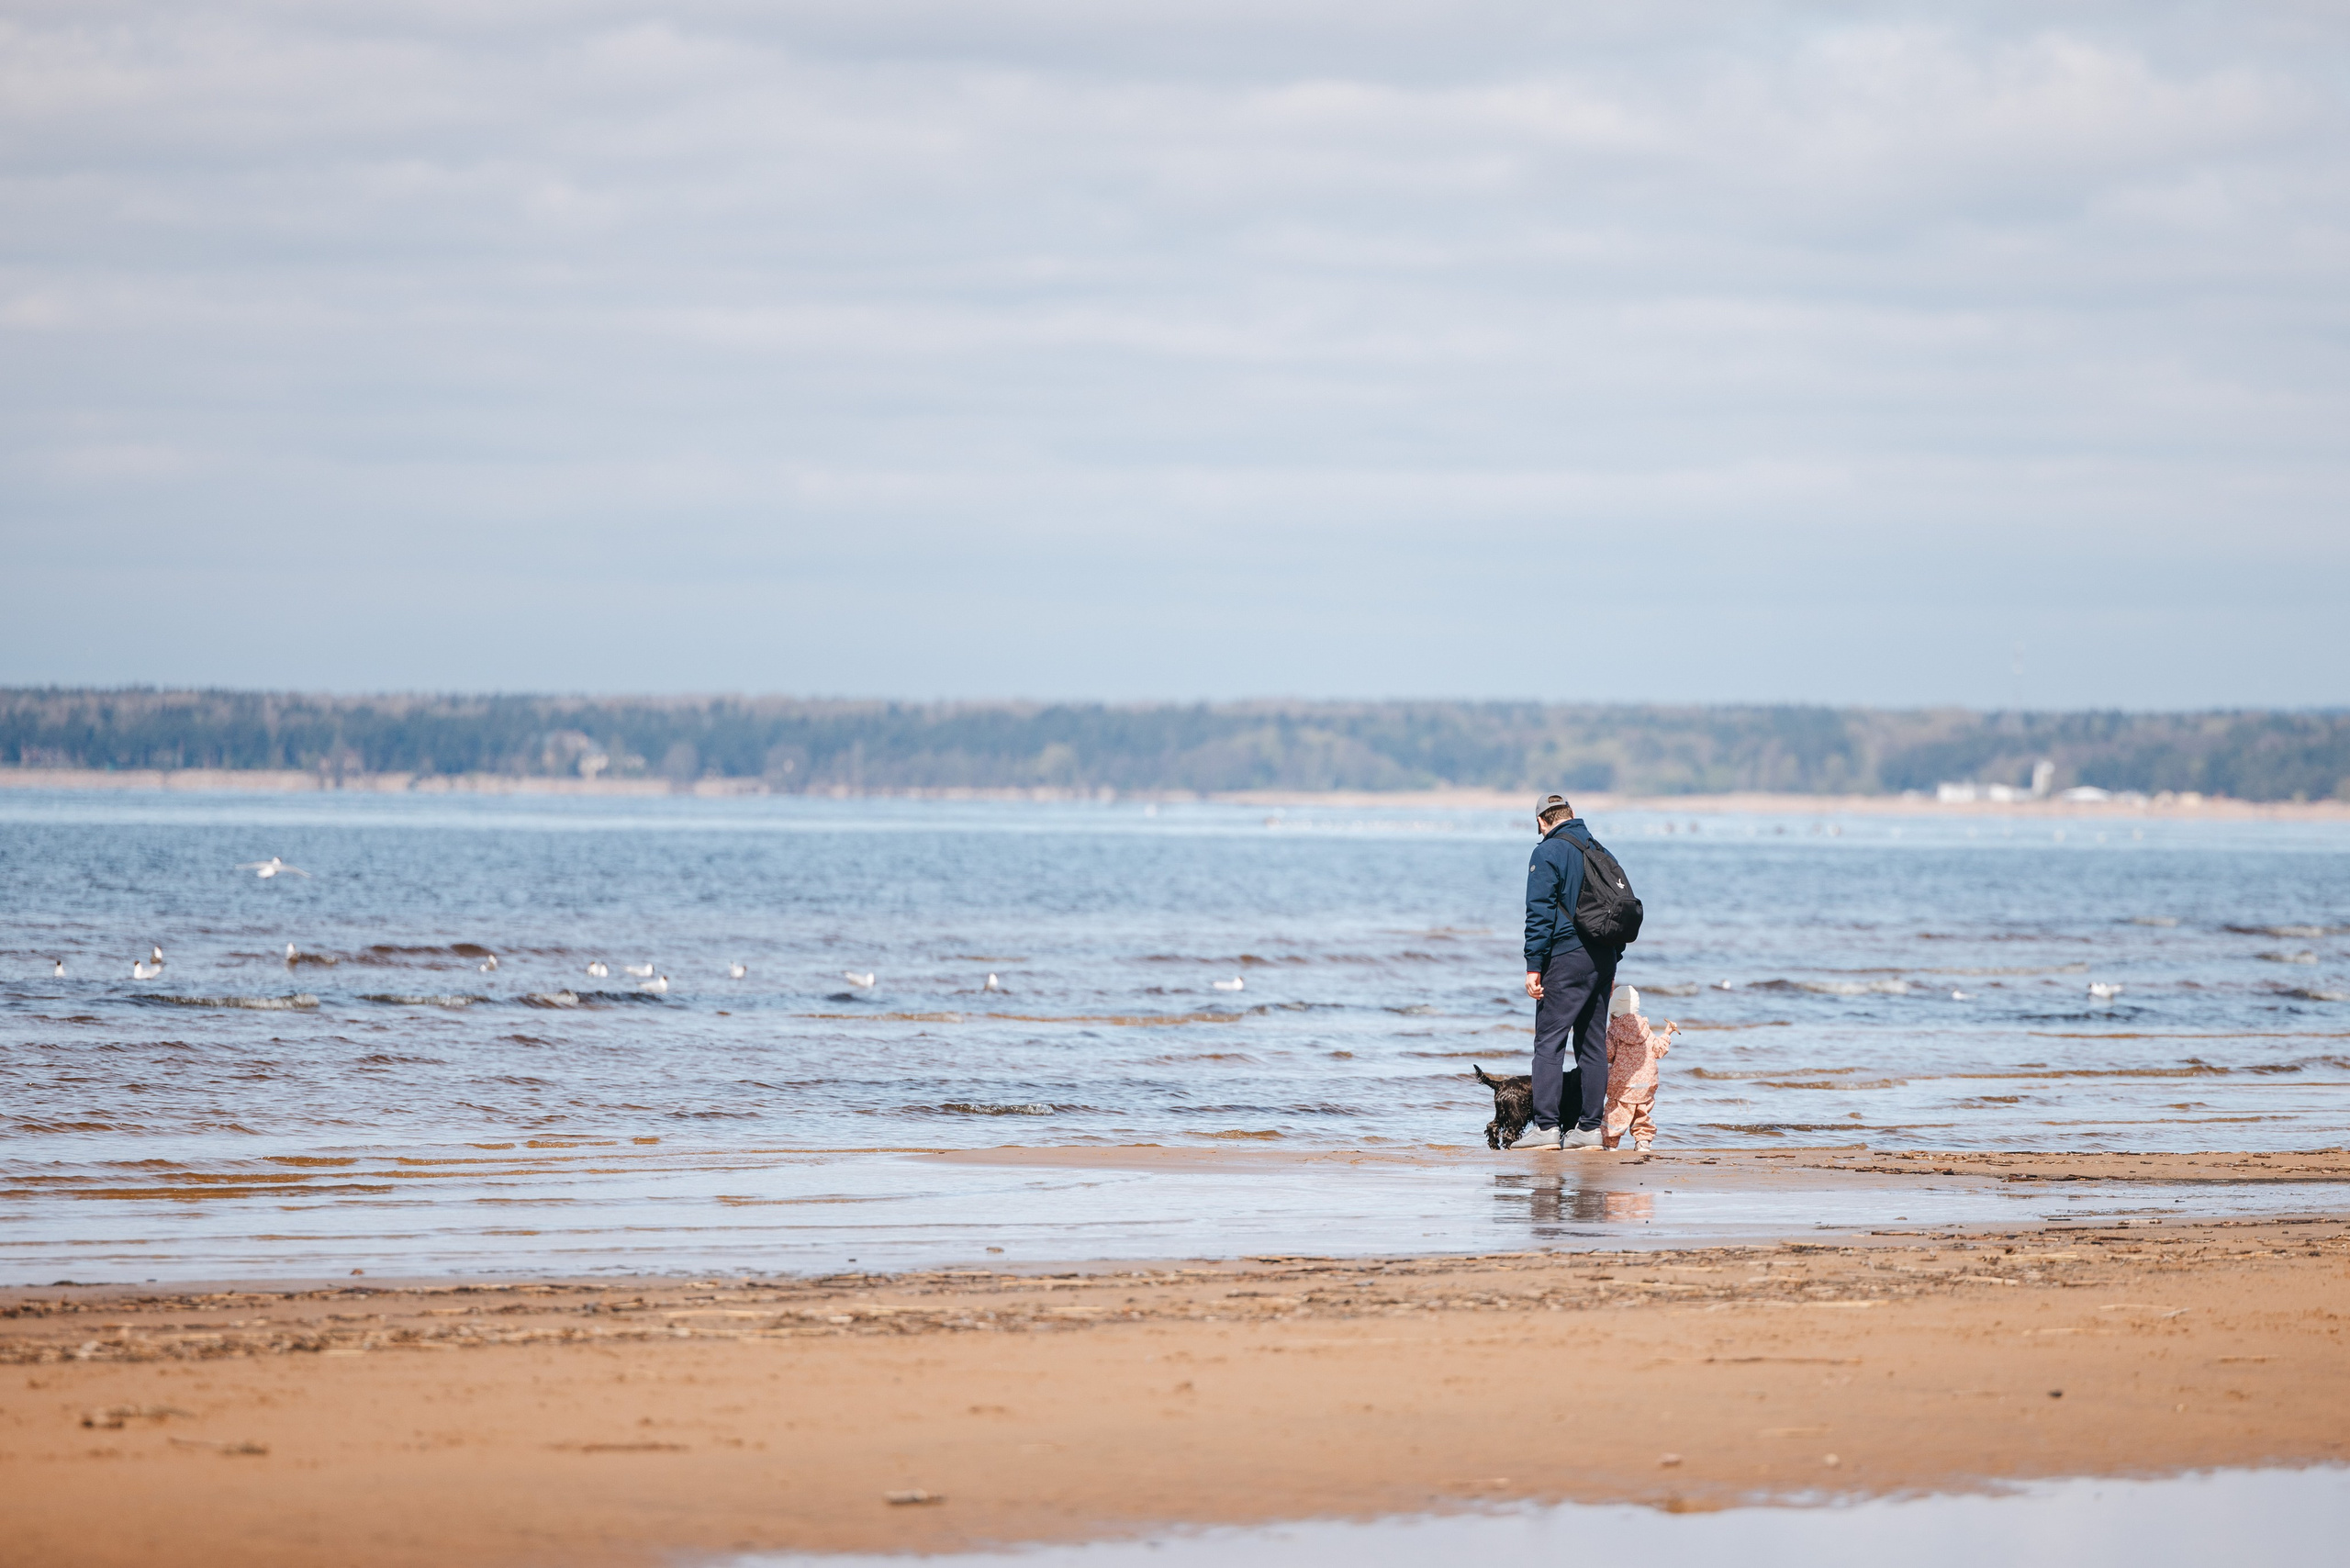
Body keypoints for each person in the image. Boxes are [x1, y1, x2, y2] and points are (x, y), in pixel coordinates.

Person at [1520, 793, 1619, 1150]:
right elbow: (1619, 909)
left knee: (1548, 1043)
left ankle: (1546, 1129)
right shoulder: (1599, 849)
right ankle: (1590, 1129)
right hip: (1603, 958)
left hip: (1565, 956)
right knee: (1592, 1045)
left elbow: (1539, 912)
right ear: (1572, 815)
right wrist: (1612, 962)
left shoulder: (1546, 852)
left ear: (1541, 823)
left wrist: (1534, 965)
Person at [1602, 984, 1676, 1151]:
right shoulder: (1645, 1028)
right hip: (1646, 1083)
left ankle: (1609, 1144)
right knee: (1642, 1113)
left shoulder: (1614, 1030)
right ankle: (1643, 1143)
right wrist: (1666, 1034)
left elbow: (1608, 1054)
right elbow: (1658, 1050)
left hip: (1622, 1084)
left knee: (1615, 1114)